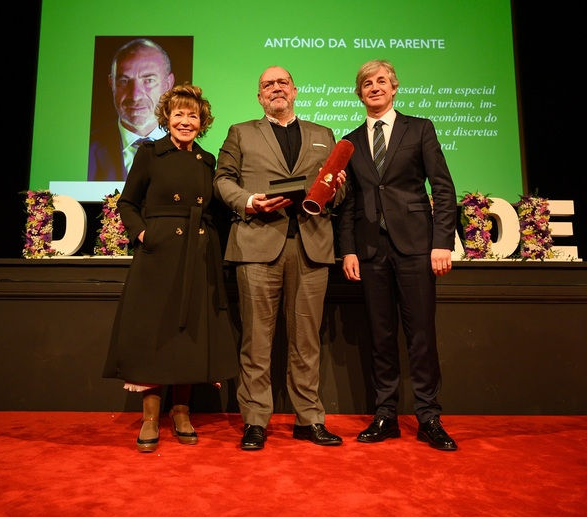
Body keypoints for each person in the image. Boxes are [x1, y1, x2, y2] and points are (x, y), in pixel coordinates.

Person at [214, 66, 345, 450]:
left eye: (282, 83)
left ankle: (309, 419)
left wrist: (336, 188)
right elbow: (222, 180)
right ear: (259, 97)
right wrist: (250, 202)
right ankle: (255, 421)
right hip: (257, 243)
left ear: (295, 91)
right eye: (267, 84)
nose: (275, 88)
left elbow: (340, 185)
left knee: (307, 341)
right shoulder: (240, 132)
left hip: (311, 244)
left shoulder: (323, 135)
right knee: (256, 340)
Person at [103, 84, 238, 452]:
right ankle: (150, 417)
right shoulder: (150, 153)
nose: (185, 121)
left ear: (202, 122)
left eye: (192, 115)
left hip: (197, 253)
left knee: (188, 334)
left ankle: (181, 412)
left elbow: (213, 209)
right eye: (178, 114)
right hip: (158, 256)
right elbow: (127, 203)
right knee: (156, 333)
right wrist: (144, 233)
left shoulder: (208, 161)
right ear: (166, 118)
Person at [338, 59, 458, 451]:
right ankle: (385, 414)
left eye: (381, 81)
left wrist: (442, 242)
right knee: (381, 336)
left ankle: (429, 416)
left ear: (394, 88)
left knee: (421, 334)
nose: (374, 87)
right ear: (359, 93)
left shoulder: (419, 128)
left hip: (416, 249)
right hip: (371, 252)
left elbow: (443, 189)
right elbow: (350, 203)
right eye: (366, 83)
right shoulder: (351, 141)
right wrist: (349, 250)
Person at [88, 38, 175, 181]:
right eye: (124, 81)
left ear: (168, 83)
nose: (135, 96)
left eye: (148, 81)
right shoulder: (89, 147)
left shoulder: (190, 149)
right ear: (112, 83)